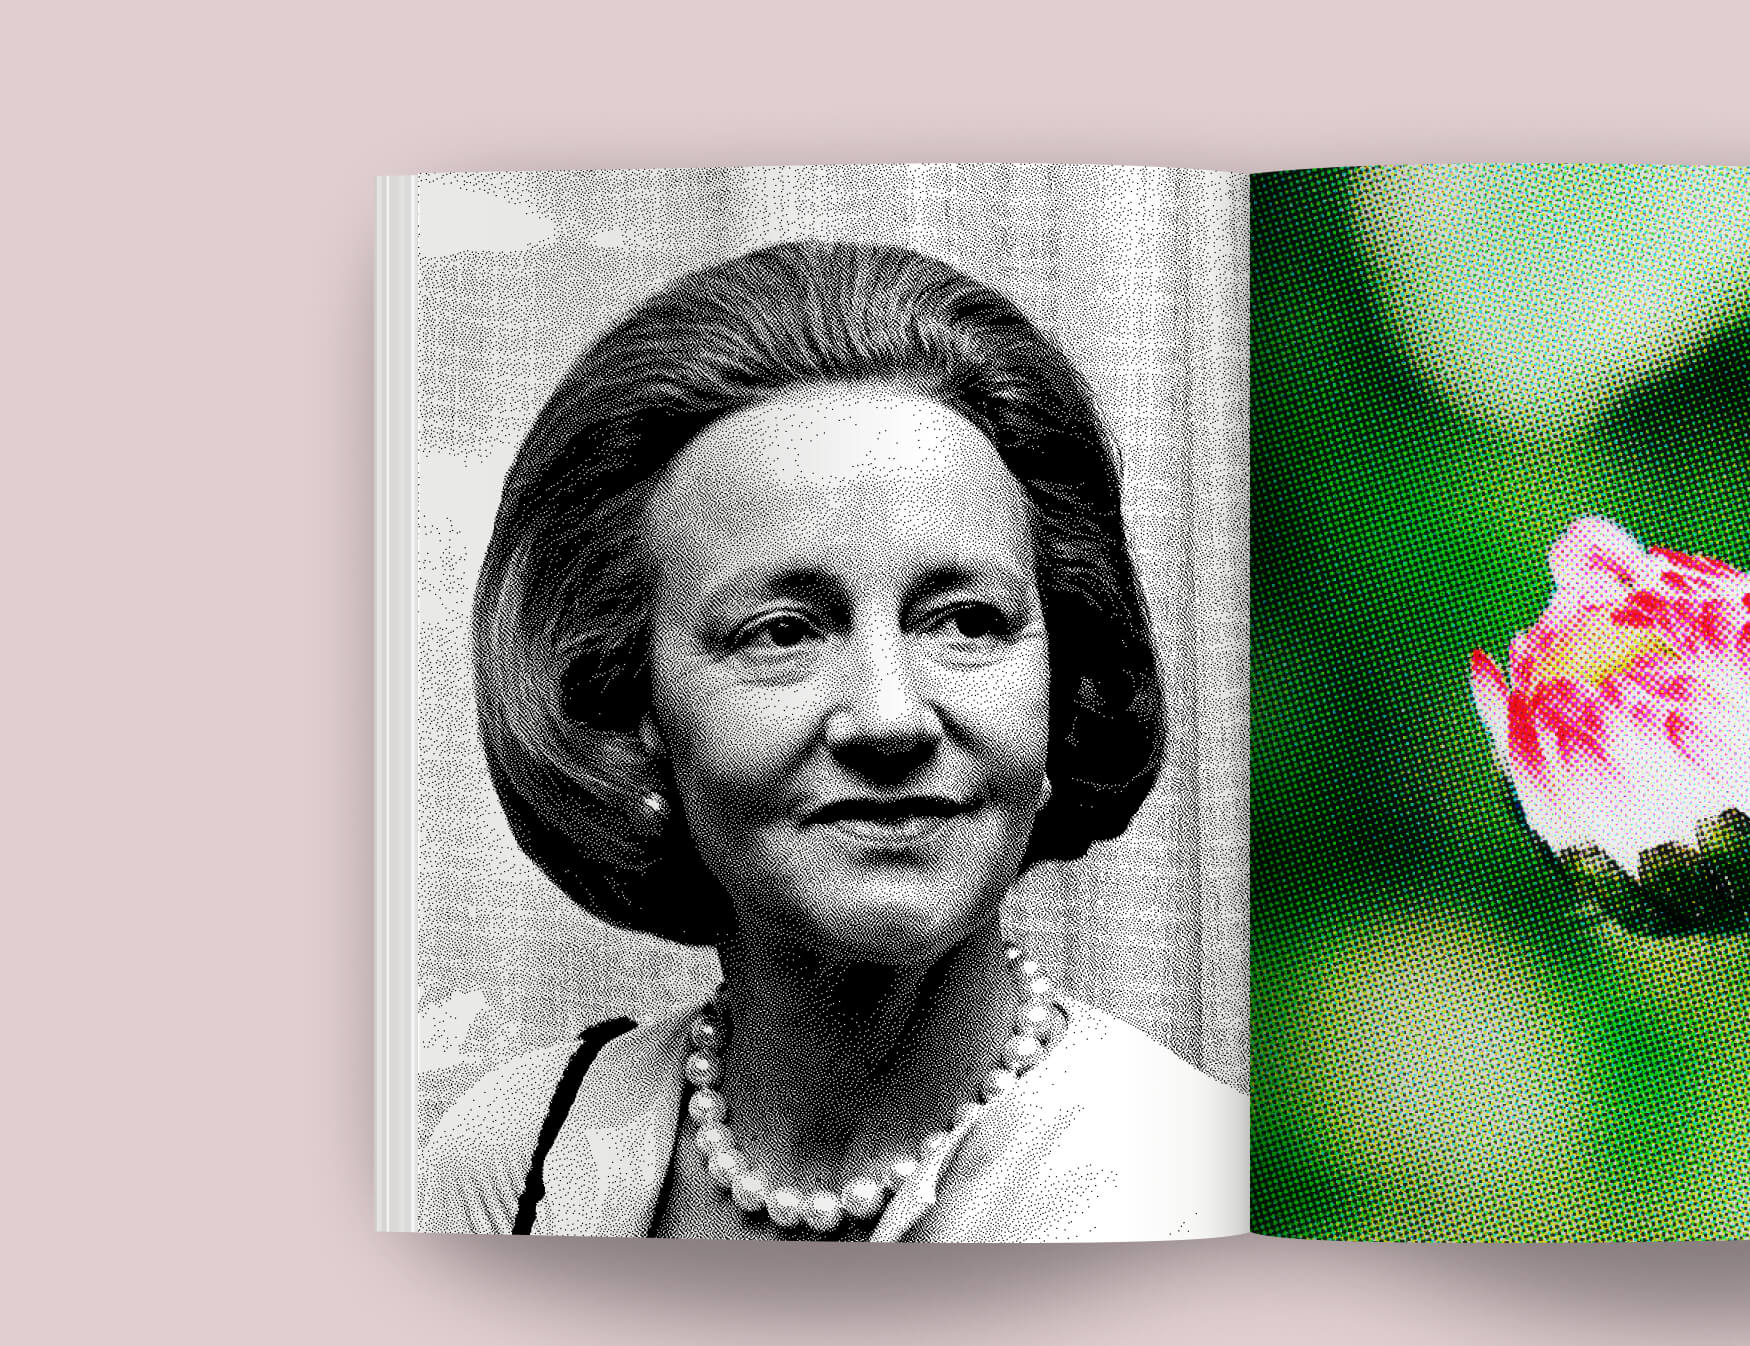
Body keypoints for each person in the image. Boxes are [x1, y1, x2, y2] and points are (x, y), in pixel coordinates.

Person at [420, 241, 1245, 1240]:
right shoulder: (518, 1164)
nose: (891, 718)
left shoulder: (1201, 1194)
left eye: (967, 621)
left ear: (1062, 684)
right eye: (783, 633)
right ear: (626, 706)